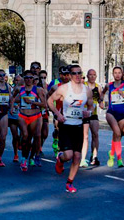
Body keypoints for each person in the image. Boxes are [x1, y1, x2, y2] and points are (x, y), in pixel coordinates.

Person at [48, 64, 94, 193]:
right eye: (74, 73)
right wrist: (58, 115)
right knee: (68, 155)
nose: (77, 75)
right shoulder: (64, 89)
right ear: (70, 75)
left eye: (79, 73)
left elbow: (91, 106)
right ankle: (60, 159)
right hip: (66, 125)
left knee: (77, 157)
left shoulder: (87, 90)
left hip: (78, 125)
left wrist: (89, 113)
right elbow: (50, 101)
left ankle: (69, 183)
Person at [100, 67, 124, 168]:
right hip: (111, 113)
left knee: (117, 136)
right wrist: (101, 101)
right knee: (117, 133)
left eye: (119, 73)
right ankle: (119, 159)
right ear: (113, 74)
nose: (117, 75)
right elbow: (102, 93)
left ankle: (111, 154)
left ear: (122, 74)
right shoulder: (109, 85)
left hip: (123, 114)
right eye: (115, 73)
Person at [12, 70, 47, 171]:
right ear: (24, 78)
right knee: (25, 135)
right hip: (22, 115)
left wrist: (32, 102)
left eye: (30, 78)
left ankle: (30, 156)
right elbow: (13, 97)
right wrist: (12, 106)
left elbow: (44, 104)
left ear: (33, 79)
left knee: (33, 137)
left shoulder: (38, 90)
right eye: (26, 78)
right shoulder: (20, 89)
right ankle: (23, 159)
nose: (28, 80)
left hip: (34, 115)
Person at [47, 66, 71, 156]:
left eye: (67, 74)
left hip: (70, 112)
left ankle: (66, 148)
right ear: (60, 75)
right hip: (58, 111)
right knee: (58, 129)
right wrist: (49, 106)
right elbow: (48, 96)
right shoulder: (55, 87)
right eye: (63, 75)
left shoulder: (73, 87)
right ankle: (57, 143)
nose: (65, 77)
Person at [80, 69, 102, 167]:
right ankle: (81, 156)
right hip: (83, 114)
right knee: (84, 137)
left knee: (95, 134)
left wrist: (101, 103)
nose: (92, 77)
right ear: (87, 76)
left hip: (93, 114)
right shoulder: (83, 85)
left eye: (94, 75)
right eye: (90, 75)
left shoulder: (98, 87)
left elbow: (100, 100)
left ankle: (95, 156)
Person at [9, 75, 23, 162]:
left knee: (22, 136)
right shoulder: (11, 89)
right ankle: (15, 154)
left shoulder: (24, 90)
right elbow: (9, 99)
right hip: (12, 115)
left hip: (22, 115)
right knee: (15, 136)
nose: (17, 82)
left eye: (19, 80)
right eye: (16, 80)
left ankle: (20, 144)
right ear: (14, 81)